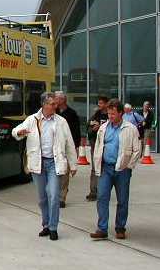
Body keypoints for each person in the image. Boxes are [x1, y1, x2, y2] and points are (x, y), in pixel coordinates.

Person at [12, 92, 78, 241]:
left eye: (56, 103)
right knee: (42, 199)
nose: (56, 106)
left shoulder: (61, 121)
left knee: (54, 195)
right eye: (52, 104)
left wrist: (73, 164)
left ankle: (53, 228)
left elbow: (69, 144)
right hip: (38, 163)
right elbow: (15, 131)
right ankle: (46, 225)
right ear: (44, 104)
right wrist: (19, 132)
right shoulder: (32, 119)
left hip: (54, 163)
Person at [90, 99, 141, 240]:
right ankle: (102, 228)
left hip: (122, 170)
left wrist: (129, 166)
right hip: (106, 167)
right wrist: (97, 163)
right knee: (102, 197)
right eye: (108, 113)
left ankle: (120, 228)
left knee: (122, 200)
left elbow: (137, 150)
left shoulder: (130, 128)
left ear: (121, 113)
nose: (110, 116)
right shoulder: (103, 128)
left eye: (113, 114)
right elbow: (99, 146)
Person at [55, 91, 81, 208]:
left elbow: (76, 131)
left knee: (65, 172)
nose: (54, 101)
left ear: (63, 100)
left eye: (56, 99)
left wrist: (75, 146)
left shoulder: (72, 114)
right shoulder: (53, 113)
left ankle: (62, 197)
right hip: (55, 147)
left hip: (67, 147)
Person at [86, 96, 109, 201]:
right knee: (95, 168)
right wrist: (93, 128)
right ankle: (93, 191)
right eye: (98, 103)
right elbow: (89, 127)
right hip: (95, 143)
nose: (99, 105)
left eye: (101, 103)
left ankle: (103, 190)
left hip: (107, 144)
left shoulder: (110, 115)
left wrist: (101, 127)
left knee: (105, 168)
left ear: (107, 104)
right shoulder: (96, 115)